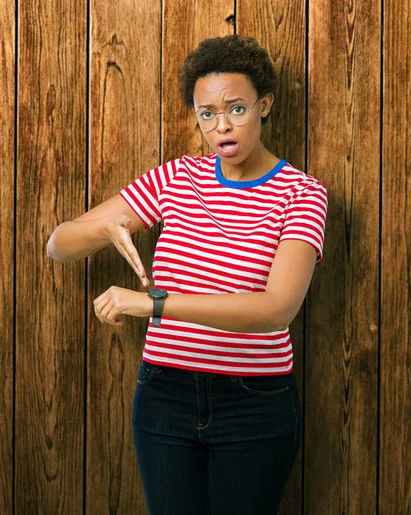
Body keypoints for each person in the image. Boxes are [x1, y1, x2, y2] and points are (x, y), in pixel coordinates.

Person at [47, 34, 328, 515]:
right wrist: (101, 228)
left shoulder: (301, 194)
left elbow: (275, 309)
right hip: (164, 394)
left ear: (265, 104)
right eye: (206, 114)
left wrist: (154, 304)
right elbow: (58, 245)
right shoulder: (177, 178)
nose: (221, 126)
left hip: (254, 401)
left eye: (236, 108)